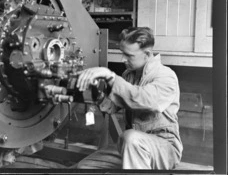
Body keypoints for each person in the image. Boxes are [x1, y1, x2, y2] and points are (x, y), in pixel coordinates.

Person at [76, 27, 183, 169]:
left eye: (129, 55)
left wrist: (111, 76)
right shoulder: (129, 75)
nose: (123, 60)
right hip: (131, 145)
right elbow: (113, 106)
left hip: (163, 147)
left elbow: (146, 100)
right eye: (122, 54)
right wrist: (96, 92)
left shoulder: (165, 75)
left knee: (130, 138)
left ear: (147, 54)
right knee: (84, 167)